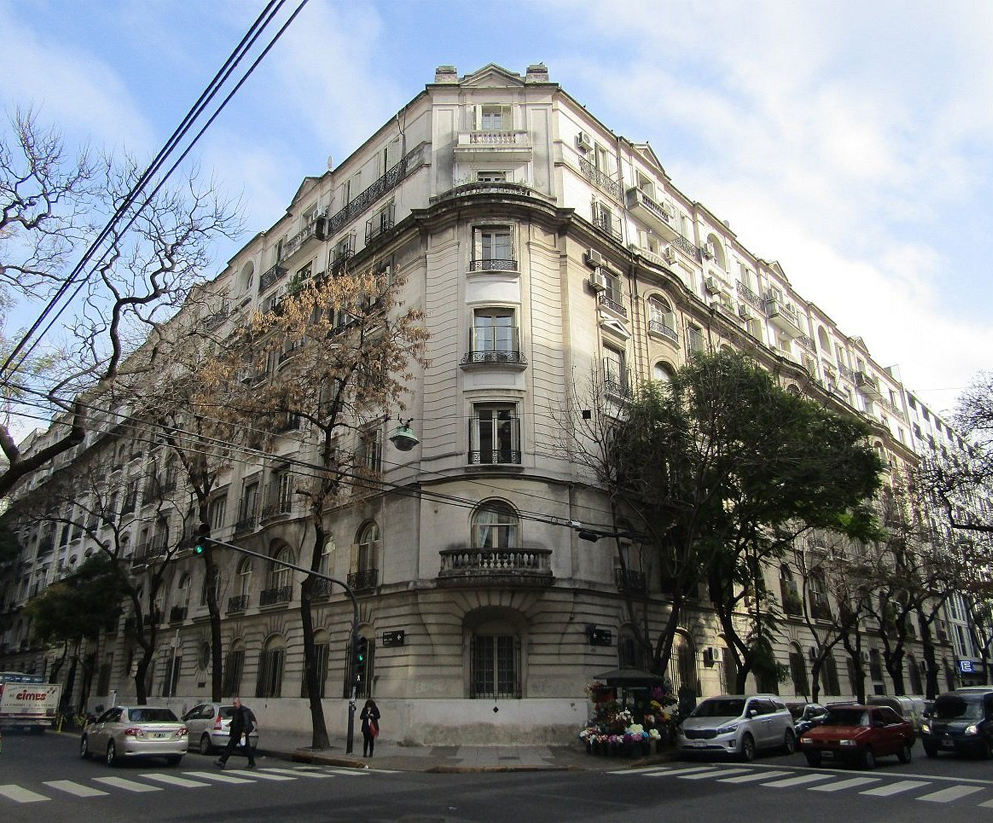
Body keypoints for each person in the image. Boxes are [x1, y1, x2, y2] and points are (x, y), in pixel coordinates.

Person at [215, 696, 258, 769]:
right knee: (231, 746)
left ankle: (251, 762)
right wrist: (230, 724)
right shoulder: (236, 710)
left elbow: (246, 721)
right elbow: (236, 720)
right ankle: (222, 761)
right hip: (237, 732)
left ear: (239, 703)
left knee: (245, 748)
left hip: (241, 733)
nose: (234, 705)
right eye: (233, 703)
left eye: (235, 703)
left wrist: (244, 732)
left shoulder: (244, 711)